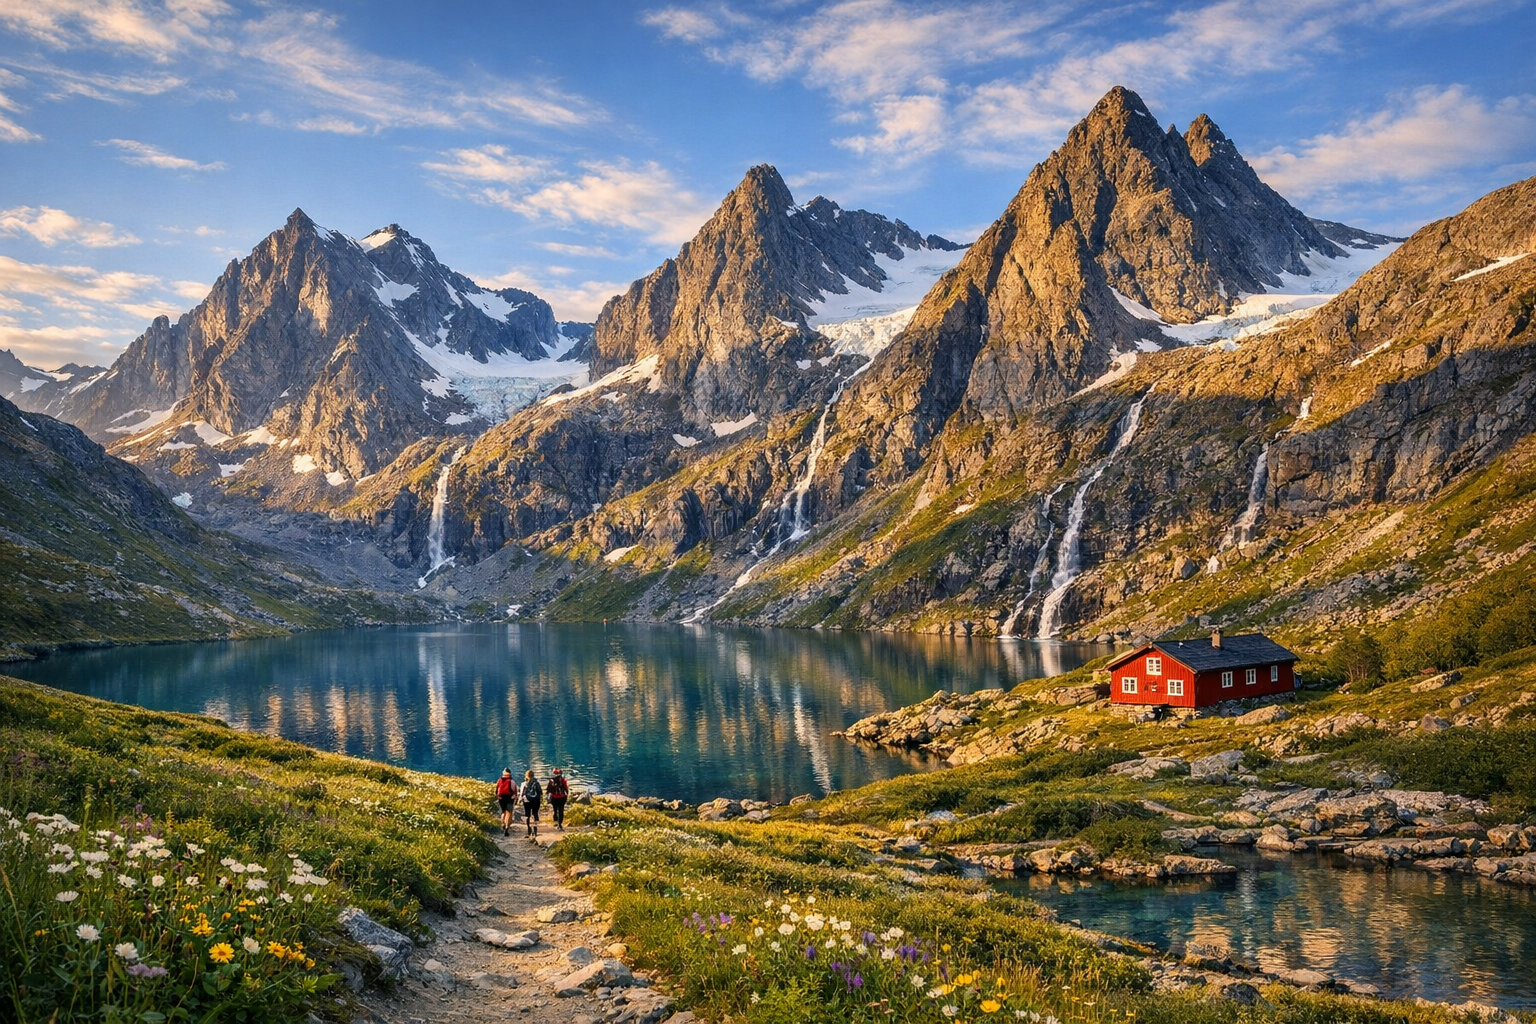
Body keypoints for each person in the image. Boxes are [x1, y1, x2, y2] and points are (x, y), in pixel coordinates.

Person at [493, 768, 517, 837]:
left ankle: (503, 824)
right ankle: (507, 827)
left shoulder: (499, 780)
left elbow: (496, 790)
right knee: (509, 812)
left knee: (503, 812)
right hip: (510, 798)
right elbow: (515, 791)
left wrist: (498, 797)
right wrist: (516, 799)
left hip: (501, 798)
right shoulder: (512, 781)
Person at [521, 768, 542, 839]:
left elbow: (522, 794)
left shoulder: (524, 784)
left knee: (528, 815)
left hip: (527, 801)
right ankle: (535, 830)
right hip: (536, 800)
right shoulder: (537, 783)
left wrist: (520, 800)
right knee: (535, 813)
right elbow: (540, 792)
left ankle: (529, 830)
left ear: (526, 776)